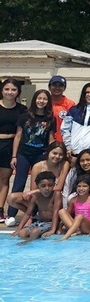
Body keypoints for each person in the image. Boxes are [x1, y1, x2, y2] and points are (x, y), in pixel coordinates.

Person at [6, 89, 56, 227]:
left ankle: (34, 213)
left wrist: (51, 155)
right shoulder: (25, 116)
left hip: (41, 154)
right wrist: (14, 156)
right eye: (39, 98)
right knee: (19, 182)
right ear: (34, 100)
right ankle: (11, 214)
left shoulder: (51, 119)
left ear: (48, 101)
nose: (41, 101)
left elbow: (51, 138)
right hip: (23, 153)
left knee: (38, 184)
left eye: (44, 99)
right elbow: (18, 136)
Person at [7, 141, 68, 216]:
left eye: (60, 154)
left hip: (54, 198)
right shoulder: (37, 166)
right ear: (48, 152)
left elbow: (59, 187)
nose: (57, 156)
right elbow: (33, 188)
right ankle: (32, 215)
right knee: (11, 198)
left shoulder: (64, 164)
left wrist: (34, 191)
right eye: (54, 153)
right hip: (40, 197)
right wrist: (34, 192)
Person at [0, 79, 27, 223]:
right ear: (2, 90)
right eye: (7, 89)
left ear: (18, 92)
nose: (9, 92)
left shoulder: (22, 110)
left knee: (4, 179)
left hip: (10, 145)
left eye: (13, 90)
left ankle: (0, 210)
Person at [11, 171, 59, 241]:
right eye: (43, 186)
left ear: (54, 185)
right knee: (22, 233)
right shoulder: (35, 196)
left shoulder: (56, 194)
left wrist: (53, 230)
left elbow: (56, 212)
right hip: (39, 222)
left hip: (51, 223)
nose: (47, 188)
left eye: (50, 185)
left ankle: (28, 244)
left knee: (35, 232)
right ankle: (29, 243)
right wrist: (18, 229)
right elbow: (28, 213)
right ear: (37, 186)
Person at [58, 174, 90, 240]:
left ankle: (65, 237)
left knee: (79, 217)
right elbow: (67, 215)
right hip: (76, 227)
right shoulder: (73, 200)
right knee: (62, 211)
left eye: (84, 186)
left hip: (88, 227)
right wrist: (59, 228)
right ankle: (75, 231)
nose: (81, 188)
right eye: (79, 186)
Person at [48, 75, 75, 142]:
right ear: (49, 87)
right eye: (54, 85)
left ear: (64, 88)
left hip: (63, 142)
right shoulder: (45, 102)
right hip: (44, 142)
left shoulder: (70, 104)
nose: (57, 88)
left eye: (60, 86)